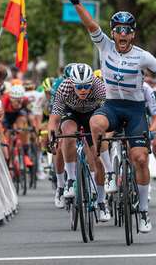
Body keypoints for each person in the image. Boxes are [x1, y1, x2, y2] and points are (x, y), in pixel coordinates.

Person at [67, 0, 156, 233]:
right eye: (118, 30)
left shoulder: (143, 56)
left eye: (127, 31)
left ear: (133, 34)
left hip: (135, 110)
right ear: (112, 33)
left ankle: (144, 211)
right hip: (112, 106)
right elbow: (91, 24)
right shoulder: (104, 45)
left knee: (140, 159)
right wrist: (77, 3)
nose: (122, 35)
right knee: (95, 123)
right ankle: (112, 173)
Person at [47, 63, 110, 221]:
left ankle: (102, 202)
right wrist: (52, 135)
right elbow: (54, 118)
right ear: (72, 83)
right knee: (68, 135)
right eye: (79, 86)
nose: (83, 90)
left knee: (96, 157)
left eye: (86, 86)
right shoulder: (64, 87)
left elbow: (110, 111)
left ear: (92, 82)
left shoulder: (99, 87)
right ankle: (70, 180)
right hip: (71, 113)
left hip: (92, 113)